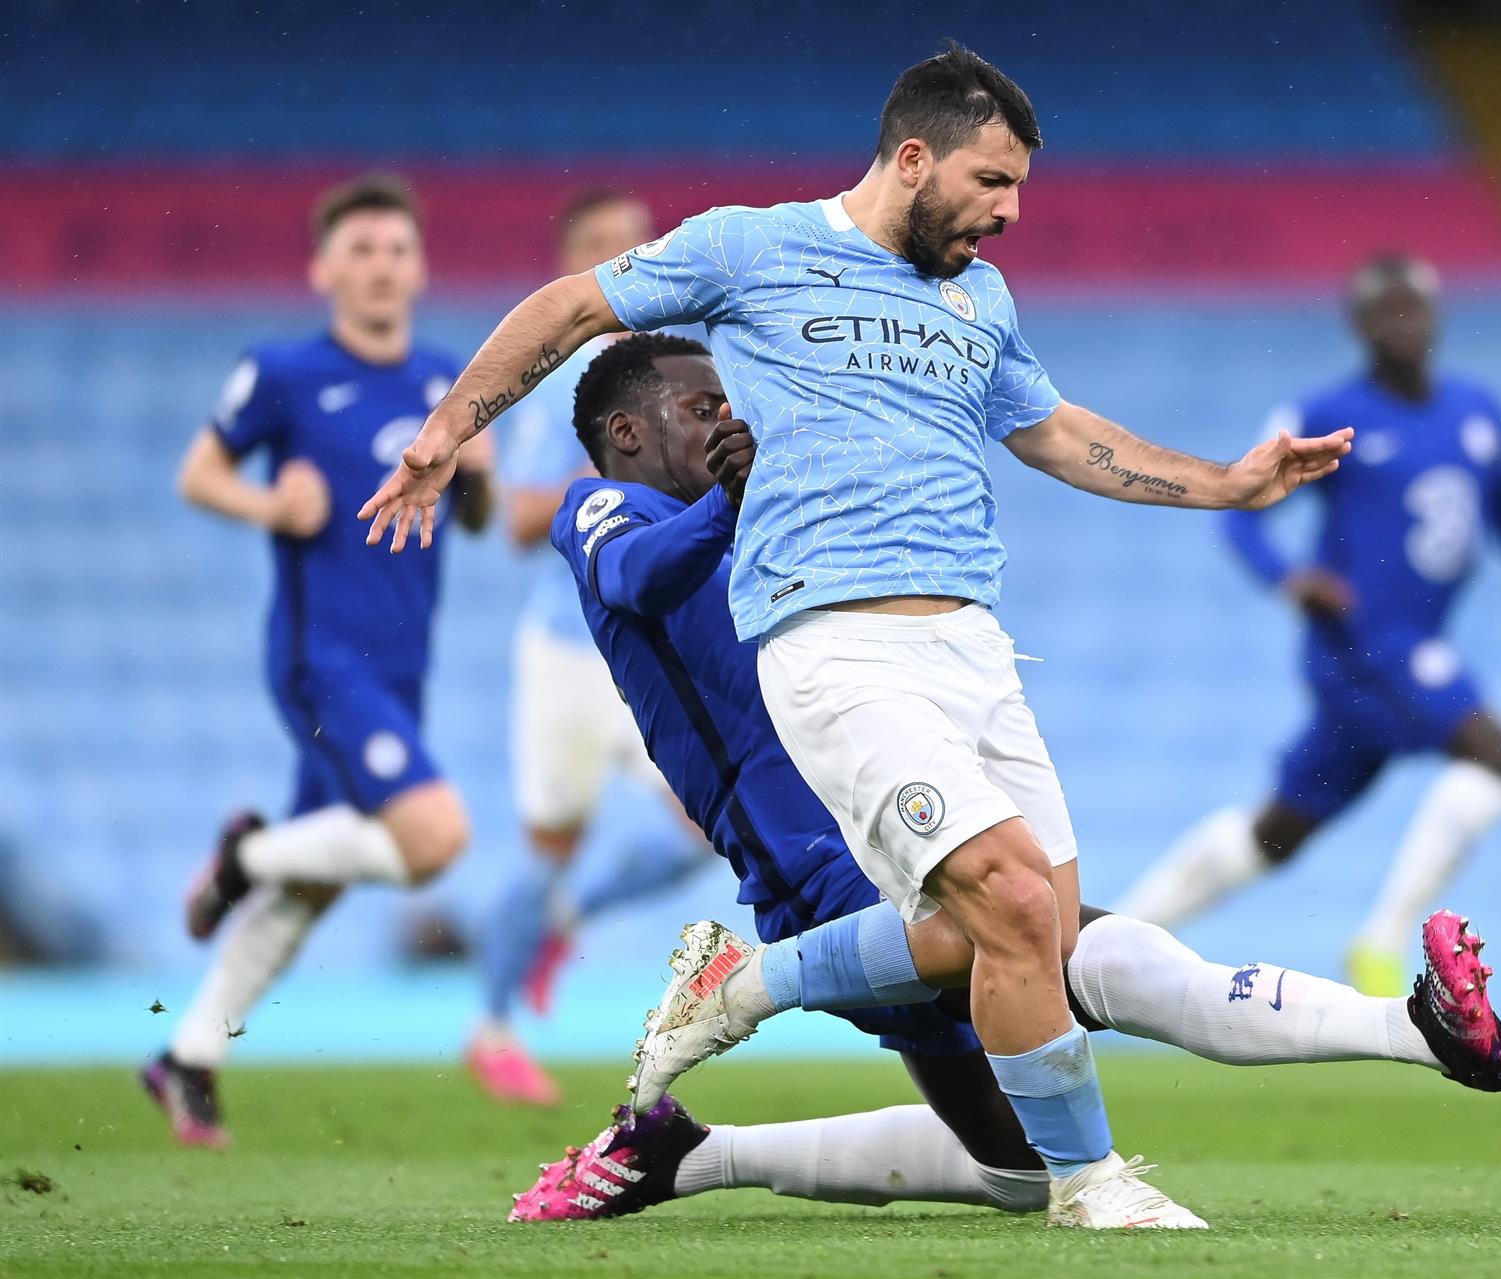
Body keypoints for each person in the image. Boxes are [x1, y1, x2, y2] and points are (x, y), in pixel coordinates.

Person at [359, 43, 1353, 1228]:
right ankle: (1096, 1187)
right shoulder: (752, 247)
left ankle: (752, 995)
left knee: (1033, 944)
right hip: (833, 638)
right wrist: (447, 426)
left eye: (1021, 188)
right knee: (1014, 909)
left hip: (975, 648)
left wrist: (1226, 484)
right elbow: (574, 305)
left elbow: (1053, 431)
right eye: (992, 181)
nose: (1010, 211)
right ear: (914, 156)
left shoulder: (981, 300)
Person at [498, 333, 1501, 1223]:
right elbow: (641, 576)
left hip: (890, 810)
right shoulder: (601, 511)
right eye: (699, 406)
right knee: (1072, 951)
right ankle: (1416, 1027)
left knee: (1018, 1163)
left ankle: (689, 1152)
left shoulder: (752, 516)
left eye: (730, 402)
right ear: (628, 433)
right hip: (814, 872)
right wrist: (734, 502)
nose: (726, 420)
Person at [1115, 253, 1501, 996]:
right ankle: (1382, 941)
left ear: (1435, 316)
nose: (1403, 323)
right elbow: (1242, 516)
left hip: (1404, 654)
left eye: (1414, 308)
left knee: (1275, 833)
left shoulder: (1478, 410)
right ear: (1360, 325)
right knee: (1499, 753)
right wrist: (1290, 580)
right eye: (1386, 311)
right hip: (1363, 648)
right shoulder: (1325, 416)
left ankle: (1112, 940)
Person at [144, 176, 493, 1147]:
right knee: (434, 840)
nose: (380, 266)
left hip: (401, 665)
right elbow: (198, 471)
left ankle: (188, 1055)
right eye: (361, 249)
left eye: (395, 249)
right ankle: (241, 853)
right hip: (322, 657)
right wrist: (269, 506)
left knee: (318, 880)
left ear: (419, 268)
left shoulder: (441, 383)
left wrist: (474, 476)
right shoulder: (285, 373)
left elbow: (477, 516)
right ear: (324, 267)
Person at [469, 189, 712, 1106]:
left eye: (634, 244)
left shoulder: (677, 376)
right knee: (546, 843)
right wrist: (609, 462)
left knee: (699, 830)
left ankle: (563, 922)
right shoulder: (558, 382)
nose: (625, 260)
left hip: (650, 647)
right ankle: (491, 1029)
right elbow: (525, 520)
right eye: (603, 248)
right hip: (570, 655)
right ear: (574, 267)